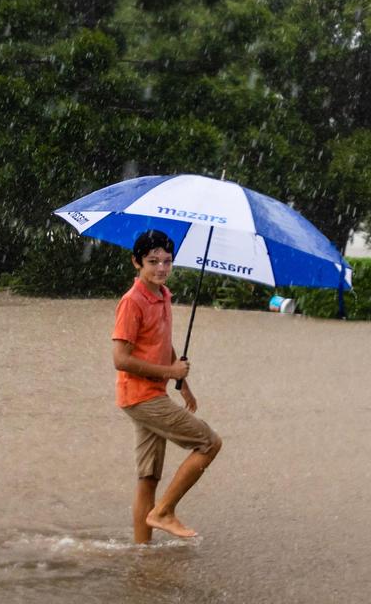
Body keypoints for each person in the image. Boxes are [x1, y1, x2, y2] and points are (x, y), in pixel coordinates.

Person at [112, 229, 222, 543]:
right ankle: (163, 512)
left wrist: (180, 380)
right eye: (152, 261)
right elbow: (120, 358)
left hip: (151, 394)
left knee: (148, 477)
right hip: (141, 396)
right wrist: (170, 370)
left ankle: (141, 555)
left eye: (167, 261)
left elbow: (161, 341)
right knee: (210, 443)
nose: (161, 268)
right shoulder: (131, 302)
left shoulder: (163, 294)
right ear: (136, 262)